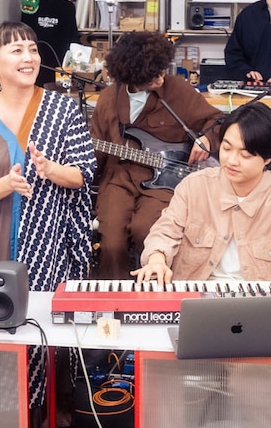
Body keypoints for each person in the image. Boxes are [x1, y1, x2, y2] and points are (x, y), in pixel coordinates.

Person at [0, 22, 95, 428]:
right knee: (3, 323)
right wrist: (7, 185)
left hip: (50, 238)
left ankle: (51, 414)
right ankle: (5, 418)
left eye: (32, 49)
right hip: (0, 241)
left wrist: (51, 170)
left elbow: (84, 174)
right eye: (15, 51)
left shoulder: (64, 108)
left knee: (45, 328)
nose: (28, 57)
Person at [135, 103, 271, 291]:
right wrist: (157, 259)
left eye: (245, 155)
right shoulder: (194, 186)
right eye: (226, 148)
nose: (231, 161)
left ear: (268, 158)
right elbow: (164, 232)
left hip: (259, 305)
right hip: (194, 299)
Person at [91, 31, 222, 280]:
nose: (161, 79)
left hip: (165, 179)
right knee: (112, 242)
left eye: (162, 71)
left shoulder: (177, 90)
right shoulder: (109, 99)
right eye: (153, 76)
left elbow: (217, 120)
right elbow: (95, 148)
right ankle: (115, 301)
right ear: (133, 75)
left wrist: (206, 139)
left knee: (147, 232)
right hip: (118, 177)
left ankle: (156, 295)